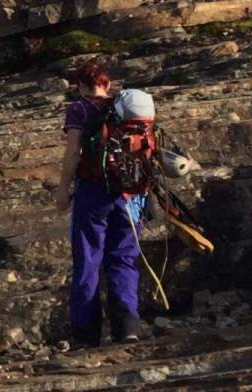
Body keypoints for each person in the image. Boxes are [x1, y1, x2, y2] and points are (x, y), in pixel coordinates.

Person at [56, 61, 144, 348]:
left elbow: (73, 153)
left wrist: (63, 189)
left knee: (88, 260)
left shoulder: (79, 109)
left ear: (80, 86)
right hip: (130, 194)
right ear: (107, 84)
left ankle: (86, 335)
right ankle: (127, 328)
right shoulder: (125, 108)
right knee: (123, 259)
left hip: (93, 193)